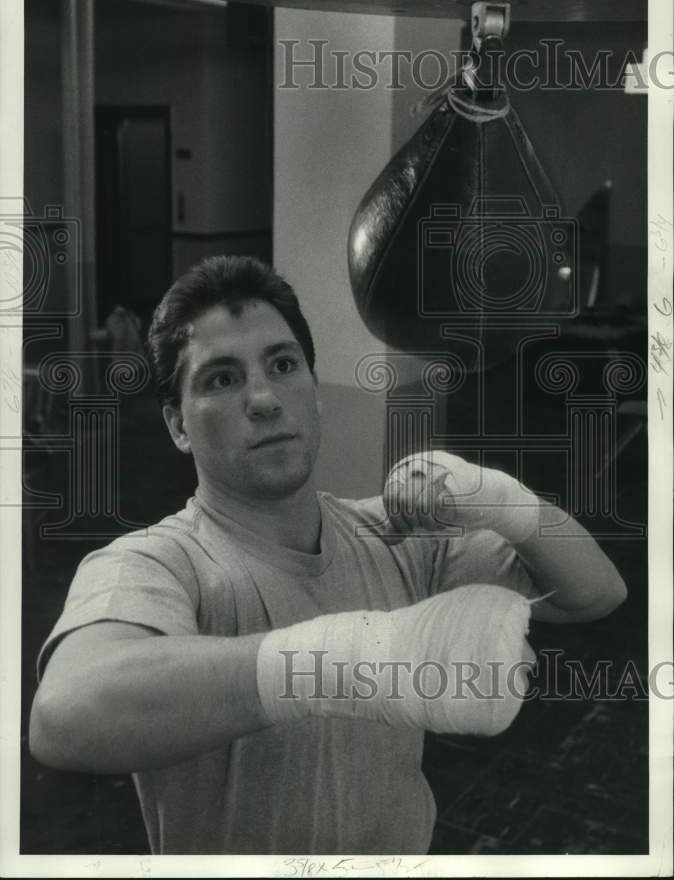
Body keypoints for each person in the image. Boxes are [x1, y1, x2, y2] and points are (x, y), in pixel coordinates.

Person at [29, 255, 627, 855]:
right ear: (177, 425)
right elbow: (64, 716)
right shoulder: (156, 563)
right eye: (221, 378)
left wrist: (497, 497)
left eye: (283, 365)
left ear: (316, 394)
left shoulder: (394, 537)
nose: (263, 397)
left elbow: (595, 594)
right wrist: (354, 660)